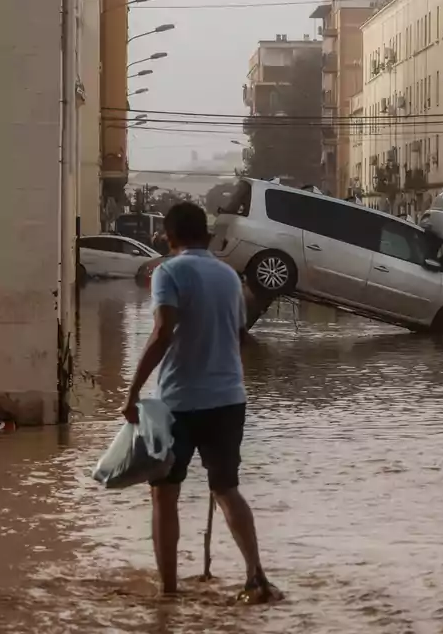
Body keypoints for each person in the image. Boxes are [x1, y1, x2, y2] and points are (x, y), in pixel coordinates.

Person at [122, 202, 278, 603]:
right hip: (229, 399)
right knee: (227, 488)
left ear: (168, 237)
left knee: (164, 492)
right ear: (206, 235)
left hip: (180, 402)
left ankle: (169, 593)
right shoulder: (229, 276)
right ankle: (256, 576)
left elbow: (161, 333)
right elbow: (241, 336)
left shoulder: (168, 272)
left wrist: (133, 390)